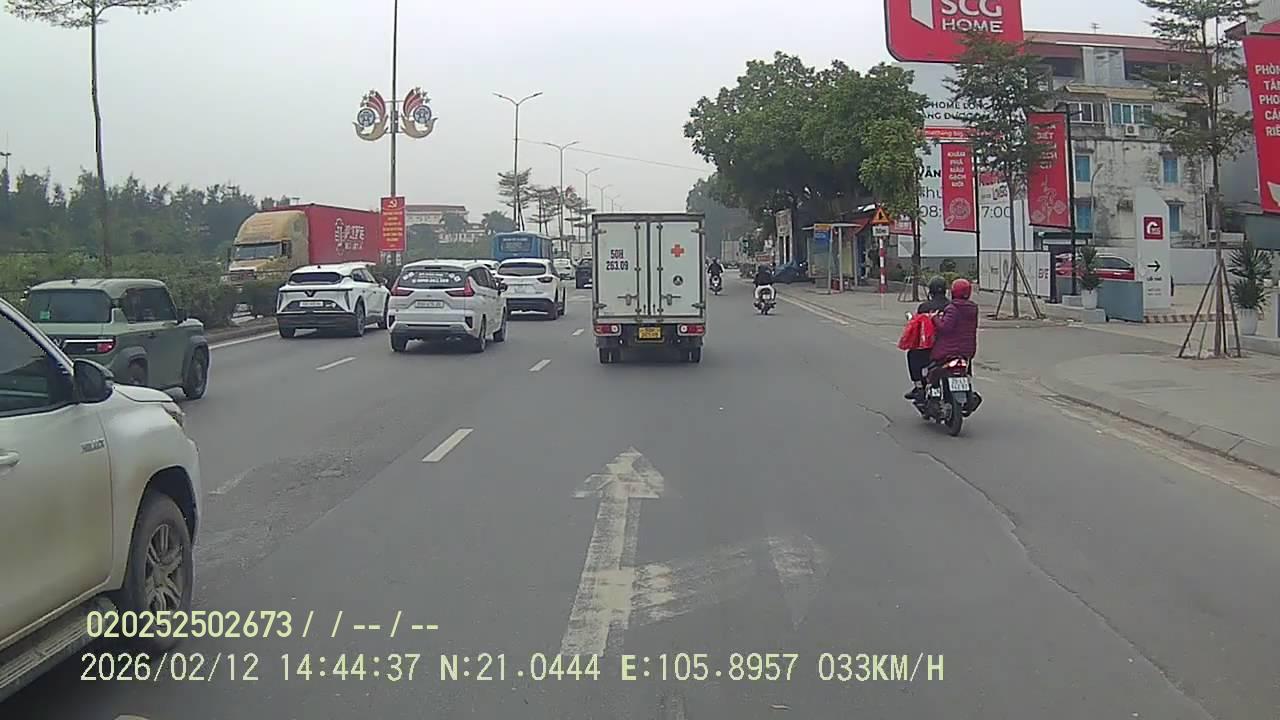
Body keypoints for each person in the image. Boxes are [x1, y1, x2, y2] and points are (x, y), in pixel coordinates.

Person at [928, 278, 981, 409]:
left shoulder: (952, 308)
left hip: (948, 350)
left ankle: (934, 394)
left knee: (933, 369)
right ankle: (969, 392)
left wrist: (935, 318)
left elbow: (945, 327)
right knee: (966, 371)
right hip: (967, 350)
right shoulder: (973, 308)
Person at [902, 277, 950, 400]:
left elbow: (918, 328)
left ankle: (919, 387)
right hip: (950, 347)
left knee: (912, 355)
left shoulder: (924, 307)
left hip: (929, 348)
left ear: (930, 291)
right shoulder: (951, 306)